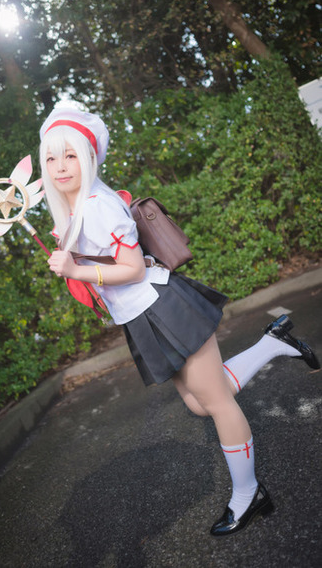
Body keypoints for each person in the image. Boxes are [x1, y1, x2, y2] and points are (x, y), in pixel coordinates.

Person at [38, 106, 320, 537]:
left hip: (161, 304)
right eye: (52, 157)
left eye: (70, 155)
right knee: (199, 403)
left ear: (89, 157)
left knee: (217, 403)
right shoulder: (78, 210)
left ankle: (249, 494)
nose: (60, 166)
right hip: (142, 316)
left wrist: (77, 269)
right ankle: (274, 342)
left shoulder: (97, 206)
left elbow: (133, 267)